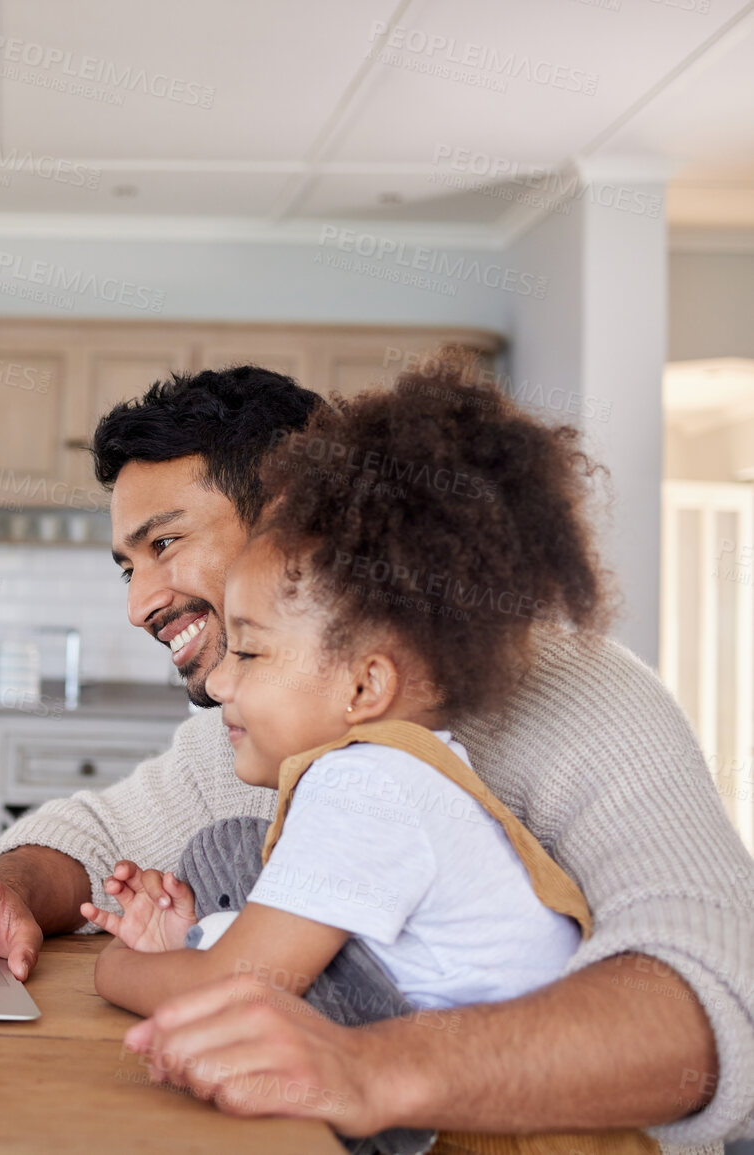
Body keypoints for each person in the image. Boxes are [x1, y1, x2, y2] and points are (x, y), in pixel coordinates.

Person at [0, 362, 754, 1149]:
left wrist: (370, 1069)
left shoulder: (584, 695)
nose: (137, 605)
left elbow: (718, 1000)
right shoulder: (269, 726)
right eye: (125, 566)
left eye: (163, 543)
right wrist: (4, 889)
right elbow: (91, 833)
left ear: (291, 515)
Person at [88, 365, 653, 1154]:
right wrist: (191, 937)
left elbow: (239, 985)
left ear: (364, 682)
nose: (220, 679)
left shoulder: (365, 784)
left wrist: (115, 968)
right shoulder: (401, 762)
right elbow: (348, 961)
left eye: (248, 651)